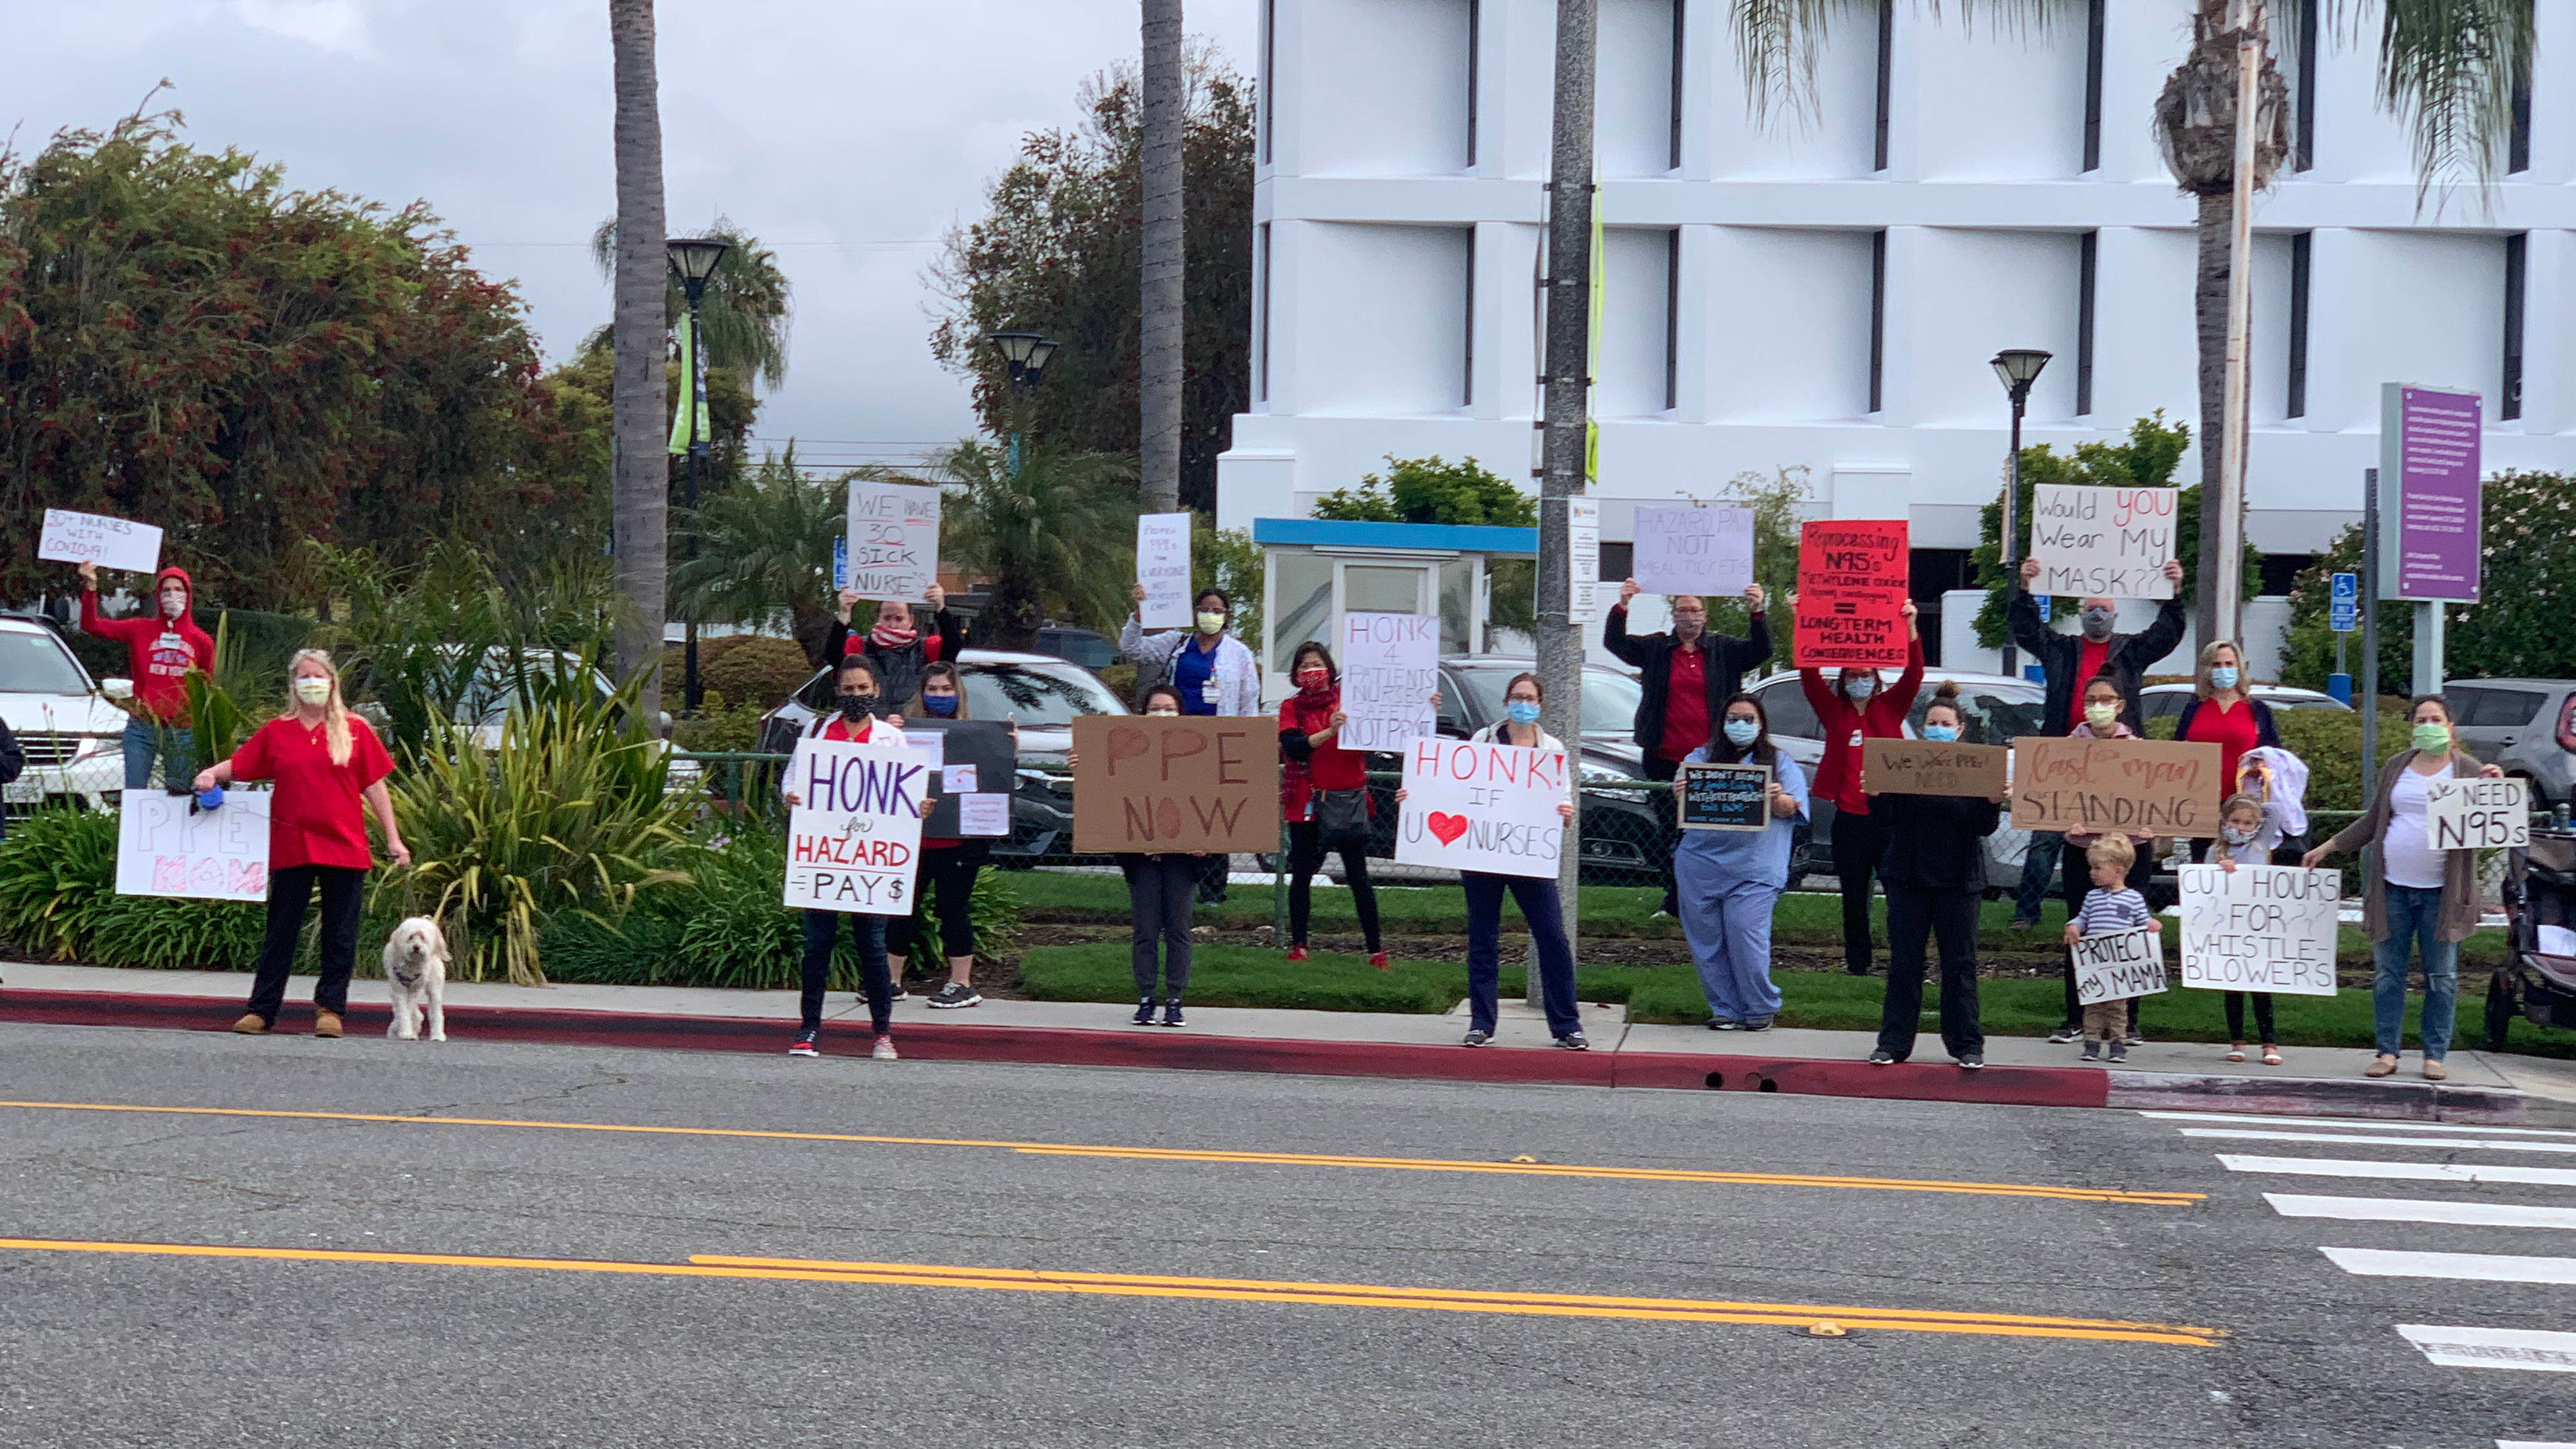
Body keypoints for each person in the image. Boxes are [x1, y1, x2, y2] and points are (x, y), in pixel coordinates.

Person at [194, 650, 409, 1038]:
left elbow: (375, 786)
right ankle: (262, 1009)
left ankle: (330, 1009)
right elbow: (241, 764)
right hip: (292, 846)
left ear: (332, 682)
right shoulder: (278, 731)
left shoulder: (356, 729)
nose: (313, 683)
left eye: (319, 676)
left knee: (339, 933)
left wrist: (393, 838)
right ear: (293, 685)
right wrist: (210, 773)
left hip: (343, 845)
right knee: (282, 930)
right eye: (304, 677)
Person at [2305, 694, 2504, 1081]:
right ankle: (2387, 1052)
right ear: (2412, 727)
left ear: (2450, 727)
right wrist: (2328, 847)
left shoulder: (2468, 770)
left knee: (2442, 977)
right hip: (2393, 889)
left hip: (2442, 894)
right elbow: (2375, 819)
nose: (2427, 726)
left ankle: (2434, 1055)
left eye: (2436, 719)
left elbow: (2494, 822)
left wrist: (2494, 787)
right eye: (2420, 720)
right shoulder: (2398, 767)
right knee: (2388, 975)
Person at [1399, 671, 1584, 1050]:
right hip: (1482, 855)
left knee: (1552, 937)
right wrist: (1414, 795)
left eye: (1530, 698)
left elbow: (1561, 800)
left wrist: (1565, 812)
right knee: (1483, 938)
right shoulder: (1482, 741)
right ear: (1505, 702)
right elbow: (1451, 784)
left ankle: (1567, 1025)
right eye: (1517, 696)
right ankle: (1482, 1022)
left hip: (1528, 857)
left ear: (1541, 704)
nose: (1523, 703)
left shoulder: (1551, 750)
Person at [2003, 555, 2187, 930]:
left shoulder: (2130, 652)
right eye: (2091, 609)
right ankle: (2027, 912)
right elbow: (2026, 630)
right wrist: (2024, 588)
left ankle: (2125, 910)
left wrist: (2174, 592)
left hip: (2117, 763)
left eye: (2105, 609)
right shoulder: (2061, 648)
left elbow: (2166, 634)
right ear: (2080, 613)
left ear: (2116, 617)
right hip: (2063, 757)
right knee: (2047, 838)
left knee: (2121, 839)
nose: (2098, 615)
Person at [1605, 578, 1772, 917]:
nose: (1689, 617)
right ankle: (1675, 901)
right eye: (1682, 611)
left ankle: (1711, 900)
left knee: (1709, 834)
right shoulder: (1656, 649)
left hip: (1713, 760)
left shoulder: (1723, 651)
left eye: (1695, 611)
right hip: (1663, 758)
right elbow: (1616, 643)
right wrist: (1622, 605)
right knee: (1673, 832)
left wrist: (1757, 612)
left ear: (1705, 616)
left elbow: (1761, 651)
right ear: (1673, 616)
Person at [1867, 683, 2002, 1069]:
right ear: (1922, 727)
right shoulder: (1905, 763)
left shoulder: (1976, 770)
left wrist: (1993, 803)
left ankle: (1966, 1044)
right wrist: (1876, 796)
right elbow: (1886, 820)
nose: (1938, 728)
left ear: (1960, 729)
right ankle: (1893, 1043)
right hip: (1908, 876)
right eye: (1932, 722)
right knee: (1904, 962)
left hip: (1959, 880)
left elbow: (1984, 827)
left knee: (1959, 964)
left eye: (1946, 723)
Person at [779, 653, 902, 1060]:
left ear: (876, 691)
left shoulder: (891, 739)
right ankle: (808, 1028)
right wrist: (791, 797)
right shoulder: (817, 732)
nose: (856, 696)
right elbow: (791, 781)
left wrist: (919, 808)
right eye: (848, 690)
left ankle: (882, 1033)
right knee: (817, 946)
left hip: (870, 862)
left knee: (872, 947)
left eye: (863, 689)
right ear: (837, 693)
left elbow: (904, 793)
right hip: (824, 860)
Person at [1798, 599, 1924, 976]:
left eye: (1866, 675)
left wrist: (1911, 627)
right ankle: (1857, 963)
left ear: (1876, 678)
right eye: (1853, 676)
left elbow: (1914, 674)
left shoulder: (1890, 707)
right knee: (1853, 896)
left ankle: (1903, 960)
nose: (1860, 681)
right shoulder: (1833, 710)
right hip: (1849, 819)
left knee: (1900, 893)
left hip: (1888, 820)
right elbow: (1808, 676)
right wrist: (1803, 623)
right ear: (1844, 681)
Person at [1673, 692, 1809, 1032]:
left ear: (1761, 725)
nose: (1740, 725)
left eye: (1749, 719)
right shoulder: (1700, 757)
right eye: (1733, 718)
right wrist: (1682, 790)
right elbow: (1685, 795)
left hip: (1755, 869)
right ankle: (1724, 1009)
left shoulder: (1779, 762)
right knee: (1707, 944)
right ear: (1722, 723)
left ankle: (1760, 1007)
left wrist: (1777, 798)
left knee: (1745, 934)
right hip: (1700, 865)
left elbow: (1793, 809)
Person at [1122, 585, 1262, 904]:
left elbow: (1248, 702)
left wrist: (1246, 745)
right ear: (1195, 611)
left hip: (1217, 743)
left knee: (1212, 812)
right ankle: (1173, 876)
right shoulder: (1176, 643)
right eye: (1205, 609)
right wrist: (1140, 613)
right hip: (1175, 741)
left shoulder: (1238, 653)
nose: (1210, 615)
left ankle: (1213, 889)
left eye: (1217, 610)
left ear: (1226, 617)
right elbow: (1132, 648)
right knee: (1176, 806)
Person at [1071, 682, 1199, 1027]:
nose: (1162, 715)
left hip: (1181, 860)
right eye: (1155, 708)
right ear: (1142, 715)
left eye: (1169, 708)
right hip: (1140, 860)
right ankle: (1145, 999)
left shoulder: (1195, 758)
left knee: (1178, 930)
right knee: (1144, 930)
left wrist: (1203, 843)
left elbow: (1209, 804)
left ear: (1181, 713)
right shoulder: (1128, 752)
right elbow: (1106, 794)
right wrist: (1084, 766)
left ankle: (1175, 1000)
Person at [2046, 673, 2159, 1046]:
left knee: (2130, 937)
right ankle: (2076, 1016)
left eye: (2107, 699)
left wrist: (2151, 828)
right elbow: (2050, 800)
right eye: (2092, 699)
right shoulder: (2065, 750)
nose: (2099, 705)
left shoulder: (2140, 750)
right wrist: (2066, 820)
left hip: (2130, 854)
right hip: (2083, 853)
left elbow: (2158, 802)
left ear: (2121, 705)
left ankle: (2128, 1021)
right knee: (2079, 931)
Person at [899, 661, 1001, 1009]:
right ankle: (889, 981)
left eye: (946, 690)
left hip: (959, 841)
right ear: (921, 693)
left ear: (958, 693)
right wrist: (887, 732)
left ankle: (962, 983)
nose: (939, 696)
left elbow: (994, 782)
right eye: (933, 690)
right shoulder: (901, 732)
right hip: (913, 839)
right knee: (902, 908)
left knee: (952, 909)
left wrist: (1007, 748)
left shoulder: (976, 734)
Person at [1278, 640, 1386, 969]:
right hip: (1306, 800)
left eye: (1317, 664)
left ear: (1330, 669)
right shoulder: (1290, 708)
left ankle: (1375, 950)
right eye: (1304, 666)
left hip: (1348, 797)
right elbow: (1294, 747)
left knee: (1358, 876)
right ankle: (1299, 944)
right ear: (1296, 675)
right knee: (1302, 875)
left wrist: (1425, 708)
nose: (1312, 672)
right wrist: (1329, 732)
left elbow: (1388, 725)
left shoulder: (1352, 700)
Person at [79, 560, 215, 791]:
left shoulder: (201, 641)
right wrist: (91, 588)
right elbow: (92, 625)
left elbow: (206, 688)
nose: (173, 595)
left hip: (181, 731)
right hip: (143, 727)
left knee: (179, 795)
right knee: (135, 795)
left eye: (179, 590)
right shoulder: (140, 629)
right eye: (167, 590)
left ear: (188, 595)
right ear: (158, 595)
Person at [2172, 640, 2281, 859]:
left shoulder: (2257, 710)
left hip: (2243, 811)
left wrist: (2262, 766)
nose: (2223, 670)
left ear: (2239, 668)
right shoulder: (2194, 707)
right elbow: (2177, 751)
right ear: (2206, 669)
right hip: (2200, 807)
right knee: (2204, 868)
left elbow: (2276, 755)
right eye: (2216, 665)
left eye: (2229, 664)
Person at [2062, 836, 2153, 1064]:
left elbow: (2143, 923)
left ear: (2118, 870)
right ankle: (2091, 1043)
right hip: (2095, 962)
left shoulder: (2134, 898)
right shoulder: (2092, 897)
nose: (2092, 873)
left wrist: (2152, 926)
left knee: (2117, 1008)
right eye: (2091, 867)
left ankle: (2118, 1043)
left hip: (2120, 964)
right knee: (2092, 1006)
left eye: (2097, 868)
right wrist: (2073, 926)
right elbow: (2083, 919)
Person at [2212, 792, 2283, 1067]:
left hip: (2258, 928)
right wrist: (2220, 868)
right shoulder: (2215, 852)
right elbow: (2204, 885)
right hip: (2228, 929)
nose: (2240, 828)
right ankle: (2237, 1042)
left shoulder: (2259, 845)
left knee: (2261, 988)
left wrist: (2251, 788)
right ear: (2224, 822)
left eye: (2247, 823)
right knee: (2233, 989)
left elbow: (2275, 810)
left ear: (2256, 826)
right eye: (2234, 821)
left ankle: (2269, 1043)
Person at [824, 585, 959, 716]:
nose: (893, 625)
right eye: (887, 618)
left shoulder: (926, 648)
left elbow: (952, 648)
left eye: (899, 619)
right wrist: (844, 614)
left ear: (911, 620)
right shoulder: (859, 647)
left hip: (915, 729)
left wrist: (940, 608)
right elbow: (834, 656)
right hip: (870, 730)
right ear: (877, 618)